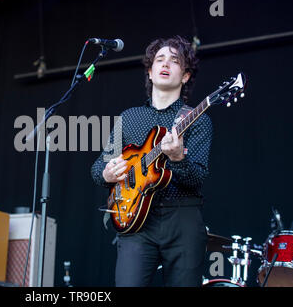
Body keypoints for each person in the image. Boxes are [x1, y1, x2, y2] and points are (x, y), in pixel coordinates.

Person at [91, 36, 213, 287]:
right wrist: (107, 174)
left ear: (186, 76)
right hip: (136, 222)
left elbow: (198, 178)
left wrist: (178, 158)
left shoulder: (197, 119)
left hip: (182, 219)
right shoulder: (129, 117)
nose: (166, 64)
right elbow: (97, 167)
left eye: (175, 60)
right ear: (149, 71)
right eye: (160, 59)